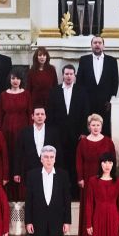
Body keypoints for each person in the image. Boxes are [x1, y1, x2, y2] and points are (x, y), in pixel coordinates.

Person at [48, 64, 91, 197]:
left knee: (75, 163)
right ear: (62, 75)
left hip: (77, 135)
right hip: (58, 135)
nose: (68, 76)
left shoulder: (82, 91)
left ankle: (75, 193)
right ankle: (61, 192)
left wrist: (84, 132)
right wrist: (52, 133)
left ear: (74, 76)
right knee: (60, 163)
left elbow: (85, 112)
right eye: (66, 74)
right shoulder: (54, 91)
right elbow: (50, 113)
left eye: (71, 74)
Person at [76, 114, 117, 236]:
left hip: (104, 177)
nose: (95, 127)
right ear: (89, 126)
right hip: (88, 176)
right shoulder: (83, 142)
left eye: (98, 125)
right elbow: (79, 161)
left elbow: (113, 160)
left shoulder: (108, 141)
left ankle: (103, 232)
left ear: (101, 126)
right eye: (93, 125)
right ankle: (88, 233)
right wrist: (80, 178)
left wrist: (112, 176)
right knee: (89, 204)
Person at [0, 70, 32, 200]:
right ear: (9, 80)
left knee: (22, 157)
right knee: (8, 156)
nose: (15, 81)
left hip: (23, 129)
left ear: (21, 80)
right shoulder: (3, 95)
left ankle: (21, 192)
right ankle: (9, 193)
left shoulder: (27, 94)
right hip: (7, 131)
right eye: (13, 78)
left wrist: (30, 132)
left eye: (17, 78)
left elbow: (30, 113)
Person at [77, 35, 119, 134]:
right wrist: (82, 99)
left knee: (105, 129)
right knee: (88, 128)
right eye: (95, 43)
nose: (97, 45)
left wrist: (111, 100)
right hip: (88, 102)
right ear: (91, 45)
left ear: (103, 46)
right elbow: (79, 81)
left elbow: (115, 81)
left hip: (105, 103)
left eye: (99, 43)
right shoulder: (84, 60)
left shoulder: (112, 61)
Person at [14, 106, 61, 192]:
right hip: (29, 170)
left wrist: (57, 171)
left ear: (45, 116)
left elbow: (58, 153)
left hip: (48, 169)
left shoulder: (53, 132)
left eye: (42, 114)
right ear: (32, 116)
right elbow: (18, 153)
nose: (40, 116)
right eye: (37, 114)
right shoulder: (24, 132)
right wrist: (17, 172)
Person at [27, 46, 58, 110]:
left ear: (47, 57)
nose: (42, 57)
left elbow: (55, 86)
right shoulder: (31, 71)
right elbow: (28, 89)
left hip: (49, 101)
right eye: (40, 55)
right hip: (35, 102)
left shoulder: (52, 69)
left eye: (44, 55)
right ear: (36, 57)